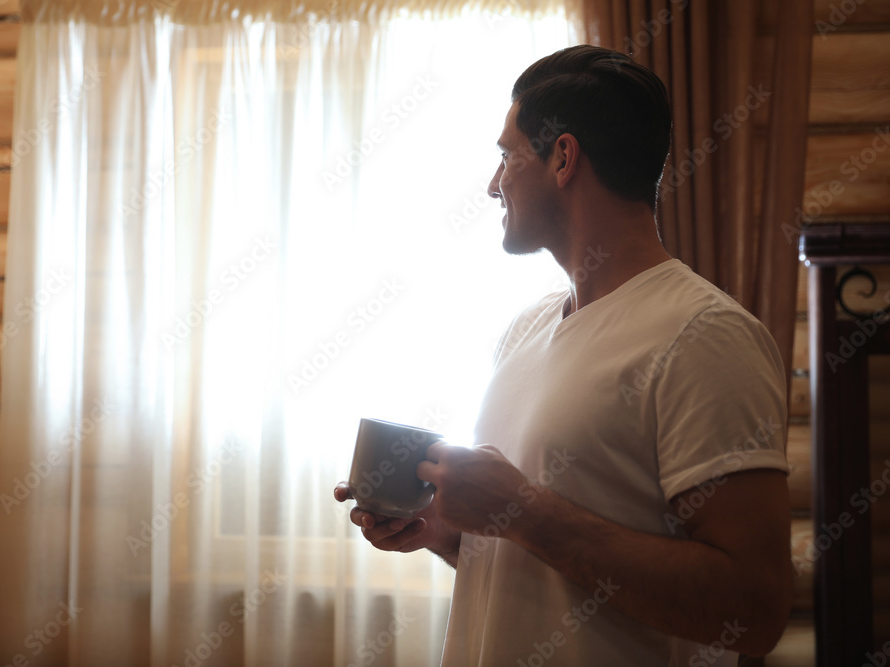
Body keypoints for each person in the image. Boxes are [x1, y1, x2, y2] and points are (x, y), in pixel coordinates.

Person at [334, 45, 792, 666]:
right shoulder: (523, 332)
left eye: (505, 156)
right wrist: (452, 537)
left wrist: (521, 513)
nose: (493, 185)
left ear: (563, 157)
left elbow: (753, 610)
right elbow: (548, 554)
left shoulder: (704, 335)